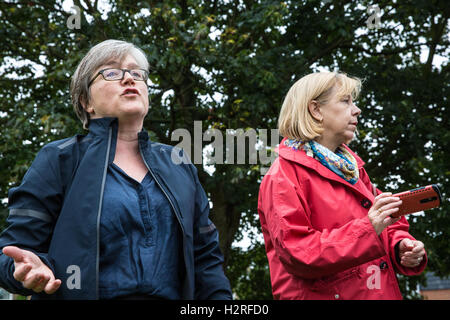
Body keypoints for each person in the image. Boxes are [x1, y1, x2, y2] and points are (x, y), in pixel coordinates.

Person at [0, 39, 232, 300]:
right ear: (86, 101)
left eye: (136, 73)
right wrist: (26, 269)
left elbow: (206, 261)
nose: (129, 79)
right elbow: (14, 251)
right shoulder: (59, 159)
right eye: (111, 73)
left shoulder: (179, 164)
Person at [257, 72, 427, 300]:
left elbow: (381, 226)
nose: (357, 110)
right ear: (315, 110)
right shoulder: (282, 176)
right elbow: (298, 253)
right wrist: (369, 227)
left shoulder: (352, 169)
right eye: (346, 101)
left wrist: (400, 247)